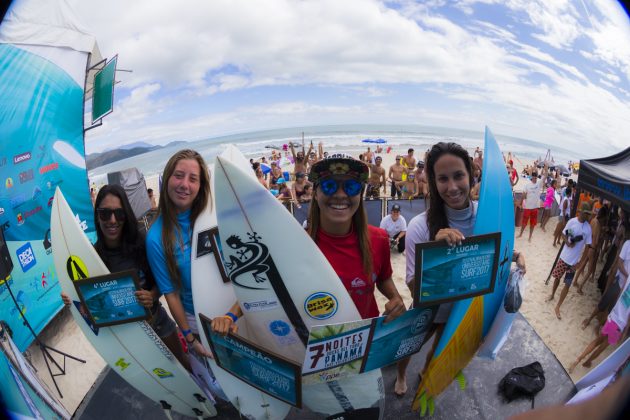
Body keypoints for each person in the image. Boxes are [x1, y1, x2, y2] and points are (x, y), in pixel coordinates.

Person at [212, 154, 406, 345]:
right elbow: (265, 287)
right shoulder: (295, 245)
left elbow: (383, 277)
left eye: (351, 186)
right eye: (329, 186)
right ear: (316, 193)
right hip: (316, 346)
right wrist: (230, 316)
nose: (340, 194)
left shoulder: (378, 239)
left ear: (360, 194)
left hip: (363, 340)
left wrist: (395, 298)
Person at [395, 141, 525, 396]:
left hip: (460, 308)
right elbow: (413, 288)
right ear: (433, 181)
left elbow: (492, 253)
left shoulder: (485, 217)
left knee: (439, 347)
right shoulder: (420, 226)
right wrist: (435, 251)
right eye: (443, 179)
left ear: (471, 175)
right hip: (428, 308)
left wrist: (515, 256)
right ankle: (400, 375)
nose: (452, 187)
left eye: (458, 176)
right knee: (409, 347)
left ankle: (427, 373)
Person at [61, 185, 189, 369]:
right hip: (128, 338)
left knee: (184, 367)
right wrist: (71, 299)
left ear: (126, 215)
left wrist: (152, 295)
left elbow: (163, 282)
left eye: (119, 214)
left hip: (158, 324)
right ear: (97, 216)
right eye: (105, 214)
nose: (112, 220)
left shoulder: (142, 243)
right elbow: (92, 300)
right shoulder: (92, 256)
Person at [146, 149, 212, 357]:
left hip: (233, 310)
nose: (184, 184)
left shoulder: (211, 215)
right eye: (178, 175)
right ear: (166, 179)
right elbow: (171, 294)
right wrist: (190, 339)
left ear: (201, 187)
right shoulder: (156, 237)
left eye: (193, 179)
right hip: (199, 322)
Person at [547, 202, 593, 320]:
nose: (587, 216)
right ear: (581, 211)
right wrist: (567, 242)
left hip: (573, 263)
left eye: (588, 214)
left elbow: (588, 248)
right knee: (557, 278)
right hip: (564, 257)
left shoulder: (588, 229)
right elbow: (564, 233)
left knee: (567, 284)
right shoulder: (572, 221)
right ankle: (552, 294)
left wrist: (580, 264)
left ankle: (558, 306)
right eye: (586, 213)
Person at [581, 234, 630, 331]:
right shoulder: (628, 244)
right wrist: (628, 276)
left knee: (612, 309)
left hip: (627, 291)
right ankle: (589, 319)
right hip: (619, 283)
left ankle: (598, 326)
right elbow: (619, 263)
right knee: (603, 303)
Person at [575, 206, 609, 294]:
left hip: (588, 245)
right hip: (593, 248)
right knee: (589, 271)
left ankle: (575, 281)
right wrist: (602, 234)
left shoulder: (593, 220)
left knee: (583, 264)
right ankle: (580, 287)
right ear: (604, 216)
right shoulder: (598, 225)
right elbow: (597, 241)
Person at [518, 170, 543, 242]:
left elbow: (545, 176)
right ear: (531, 177)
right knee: (524, 223)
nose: (535, 178)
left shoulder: (539, 183)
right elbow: (523, 195)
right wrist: (520, 203)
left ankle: (530, 237)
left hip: (535, 208)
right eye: (534, 176)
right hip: (527, 207)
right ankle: (520, 234)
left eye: (536, 176)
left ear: (537, 177)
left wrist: (546, 167)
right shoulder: (527, 185)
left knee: (532, 224)